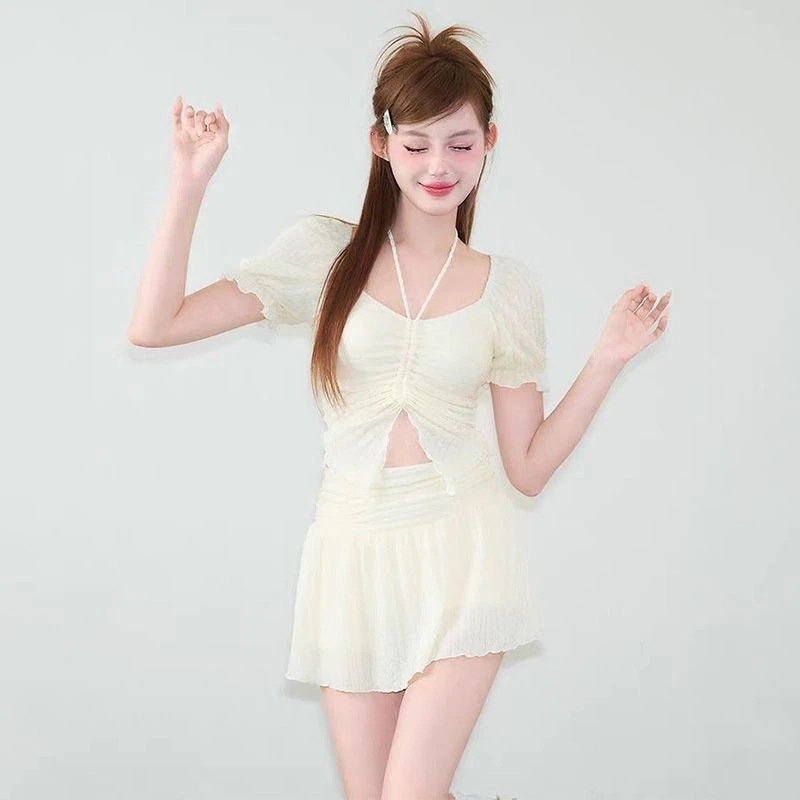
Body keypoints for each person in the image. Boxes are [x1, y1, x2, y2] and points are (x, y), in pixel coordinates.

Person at [128, 11, 671, 800]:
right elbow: (155, 325)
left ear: (490, 142)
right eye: (416, 145)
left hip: (464, 549)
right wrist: (189, 181)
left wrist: (608, 358)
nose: (438, 165)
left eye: (460, 143)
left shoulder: (508, 288)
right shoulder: (326, 255)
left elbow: (526, 469)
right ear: (380, 144)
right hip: (351, 551)